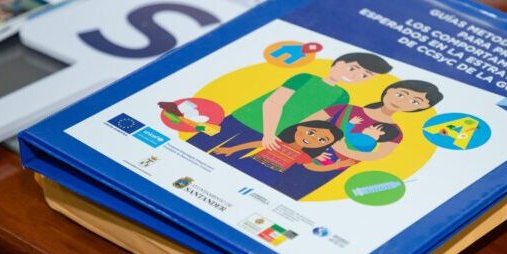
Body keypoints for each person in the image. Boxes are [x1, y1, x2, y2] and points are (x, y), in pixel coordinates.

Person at [187, 52, 392, 154]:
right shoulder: (305, 78)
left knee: (226, 161)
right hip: (244, 119)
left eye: (365, 75)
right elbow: (273, 103)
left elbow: (313, 122)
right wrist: (269, 133)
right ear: (338, 64)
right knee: (196, 148)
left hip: (274, 137)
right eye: (353, 68)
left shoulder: (342, 96)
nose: (356, 75)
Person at [304, 79, 444, 172]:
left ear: (422, 108)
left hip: (332, 167)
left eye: (415, 102)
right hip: (302, 151)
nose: (401, 102)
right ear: (390, 90)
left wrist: (342, 149)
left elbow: (375, 155)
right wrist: (315, 149)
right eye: (401, 94)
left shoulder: (395, 132)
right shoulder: (345, 108)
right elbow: (307, 123)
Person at [212, 120, 344, 172]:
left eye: (322, 140)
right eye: (311, 132)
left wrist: (336, 166)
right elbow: (256, 144)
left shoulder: (303, 156)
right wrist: (231, 149)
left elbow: (313, 167)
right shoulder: (278, 142)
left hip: (270, 175)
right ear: (300, 128)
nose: (313, 138)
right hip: (250, 163)